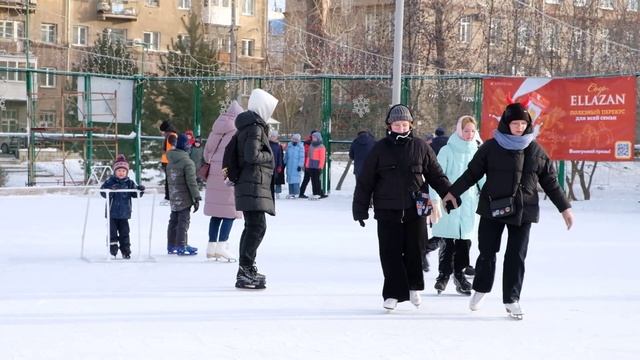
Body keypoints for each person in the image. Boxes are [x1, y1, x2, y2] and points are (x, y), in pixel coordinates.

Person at [442, 102, 574, 319]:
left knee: (516, 256)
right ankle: (481, 289)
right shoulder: (491, 147)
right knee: (487, 252)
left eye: (523, 123)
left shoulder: (535, 150)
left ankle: (512, 299)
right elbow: (471, 174)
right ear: (506, 123)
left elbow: (550, 182)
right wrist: (452, 193)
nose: (520, 127)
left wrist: (565, 208)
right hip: (492, 207)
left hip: (524, 210)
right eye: (515, 123)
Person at [352, 104, 452, 311]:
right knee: (390, 252)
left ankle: (414, 286)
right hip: (387, 208)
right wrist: (360, 208)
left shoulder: (421, 147)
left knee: (416, 249)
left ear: (411, 125)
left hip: (417, 206)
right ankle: (392, 294)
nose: (400, 127)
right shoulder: (379, 148)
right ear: (389, 126)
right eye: (396, 124)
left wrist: (448, 194)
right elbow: (365, 181)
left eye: (404, 124)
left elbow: (436, 174)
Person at [429, 115, 484, 295]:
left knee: (464, 241)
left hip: (468, 203)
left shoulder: (477, 151)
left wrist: (490, 196)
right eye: (466, 130)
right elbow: (436, 176)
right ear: (459, 130)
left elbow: (483, 178)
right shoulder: (447, 150)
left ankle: (459, 276)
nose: (469, 134)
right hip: (449, 201)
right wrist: (435, 200)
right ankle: (443, 275)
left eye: (472, 131)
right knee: (448, 239)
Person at [231, 88, 278, 289]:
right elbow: (252, 156)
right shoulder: (255, 128)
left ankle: (246, 268)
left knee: (254, 226)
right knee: (256, 227)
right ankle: (245, 269)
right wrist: (271, 156)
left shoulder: (249, 126)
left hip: (250, 184)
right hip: (252, 183)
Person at [203, 101, 244, 262]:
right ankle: (222, 246)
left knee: (216, 212)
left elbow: (207, 152)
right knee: (229, 211)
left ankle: (211, 247)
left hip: (214, 171)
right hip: (228, 171)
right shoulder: (236, 130)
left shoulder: (217, 128)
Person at [100, 154, 144, 259]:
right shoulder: (110, 181)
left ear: (127, 172)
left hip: (124, 214)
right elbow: (103, 192)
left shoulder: (129, 183)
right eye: (119, 171)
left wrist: (139, 190)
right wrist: (110, 190)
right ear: (115, 171)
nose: (121, 173)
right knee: (112, 233)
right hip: (112, 214)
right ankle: (113, 249)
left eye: (123, 171)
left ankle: (126, 251)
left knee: (125, 233)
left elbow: (135, 194)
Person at [166, 133, 201, 256]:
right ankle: (181, 245)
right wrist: (196, 197)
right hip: (185, 197)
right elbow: (191, 182)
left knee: (174, 220)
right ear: (186, 146)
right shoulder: (187, 162)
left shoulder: (170, 161)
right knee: (183, 221)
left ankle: (171, 245)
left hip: (174, 195)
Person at [159, 120, 178, 203]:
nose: (162, 133)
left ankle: (168, 198)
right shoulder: (170, 135)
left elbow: (174, 147)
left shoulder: (171, 136)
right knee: (169, 180)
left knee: (169, 180)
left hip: (169, 161)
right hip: (167, 160)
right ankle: (169, 197)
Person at [284, 133, 304, 198]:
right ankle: (291, 192)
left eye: (296, 139)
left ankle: (296, 193)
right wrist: (284, 162)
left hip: (296, 166)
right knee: (290, 179)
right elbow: (286, 155)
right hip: (289, 165)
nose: (295, 141)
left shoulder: (300, 147)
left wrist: (300, 165)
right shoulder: (289, 146)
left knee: (296, 179)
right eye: (293, 139)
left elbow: (302, 157)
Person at [298, 130, 317, 198]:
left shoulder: (312, 142)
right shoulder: (308, 143)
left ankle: (316, 192)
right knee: (309, 179)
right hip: (309, 164)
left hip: (311, 163)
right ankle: (302, 193)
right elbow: (306, 153)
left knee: (311, 179)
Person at [269, 130, 285, 199]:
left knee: (275, 179)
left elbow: (280, 156)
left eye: (274, 136)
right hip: (268, 164)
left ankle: (276, 192)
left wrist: (280, 165)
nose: (273, 137)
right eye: (272, 136)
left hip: (275, 165)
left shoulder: (278, 146)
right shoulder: (268, 144)